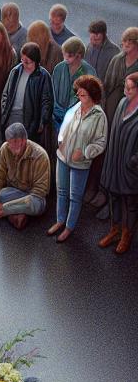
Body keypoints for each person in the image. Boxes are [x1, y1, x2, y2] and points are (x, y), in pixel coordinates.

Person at [48, 74, 106, 242]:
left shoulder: (99, 116)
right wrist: (60, 141)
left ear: (92, 95)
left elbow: (101, 142)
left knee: (75, 196)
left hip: (80, 162)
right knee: (61, 191)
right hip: (63, 156)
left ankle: (69, 226)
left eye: (83, 95)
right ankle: (60, 221)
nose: (79, 98)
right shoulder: (75, 108)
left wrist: (85, 152)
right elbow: (64, 126)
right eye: (78, 94)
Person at [0, 122, 50, 228]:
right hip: (10, 192)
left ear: (24, 140)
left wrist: (5, 208)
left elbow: (40, 192)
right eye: (9, 142)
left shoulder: (40, 156)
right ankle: (12, 215)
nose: (12, 146)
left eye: (16, 141)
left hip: (29, 197)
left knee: (36, 204)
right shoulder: (5, 148)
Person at [98, 72, 138, 254]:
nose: (126, 91)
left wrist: (133, 161)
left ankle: (126, 235)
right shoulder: (122, 103)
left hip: (130, 167)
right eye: (125, 87)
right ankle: (115, 230)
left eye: (130, 88)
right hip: (115, 161)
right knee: (114, 197)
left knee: (130, 202)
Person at [0, 42, 53, 143]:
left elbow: (47, 102)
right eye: (22, 60)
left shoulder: (43, 76)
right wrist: (4, 111)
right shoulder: (15, 71)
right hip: (11, 116)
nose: (23, 64)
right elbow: (5, 94)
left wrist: (42, 121)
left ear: (36, 62)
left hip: (30, 119)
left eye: (27, 62)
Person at [51, 37, 96, 131]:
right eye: (64, 54)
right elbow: (53, 95)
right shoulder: (59, 68)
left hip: (80, 121)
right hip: (58, 120)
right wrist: (60, 114)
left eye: (70, 55)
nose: (65, 58)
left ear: (79, 55)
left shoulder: (89, 72)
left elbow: (92, 99)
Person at [103, 28, 138, 123]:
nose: (126, 44)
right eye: (124, 41)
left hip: (133, 104)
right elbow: (107, 84)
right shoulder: (117, 59)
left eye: (130, 42)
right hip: (113, 103)